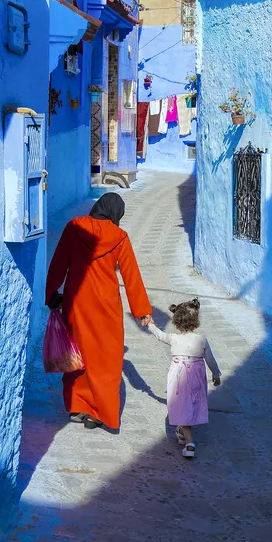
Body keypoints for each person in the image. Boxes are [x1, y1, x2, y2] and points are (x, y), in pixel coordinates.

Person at [46, 193, 152, 431]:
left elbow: (59, 262)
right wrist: (142, 310)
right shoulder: (119, 237)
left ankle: (77, 405)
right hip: (106, 307)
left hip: (77, 302)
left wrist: (52, 293)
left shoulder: (74, 228)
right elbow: (131, 275)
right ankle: (99, 412)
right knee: (106, 360)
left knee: (76, 353)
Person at [141, 299, 221, 459]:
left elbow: (160, 335)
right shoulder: (202, 340)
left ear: (176, 321)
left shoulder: (174, 338)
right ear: (196, 320)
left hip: (179, 378)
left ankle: (189, 444)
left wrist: (150, 324)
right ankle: (182, 432)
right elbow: (211, 360)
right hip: (196, 378)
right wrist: (216, 375)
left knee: (181, 406)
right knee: (190, 405)